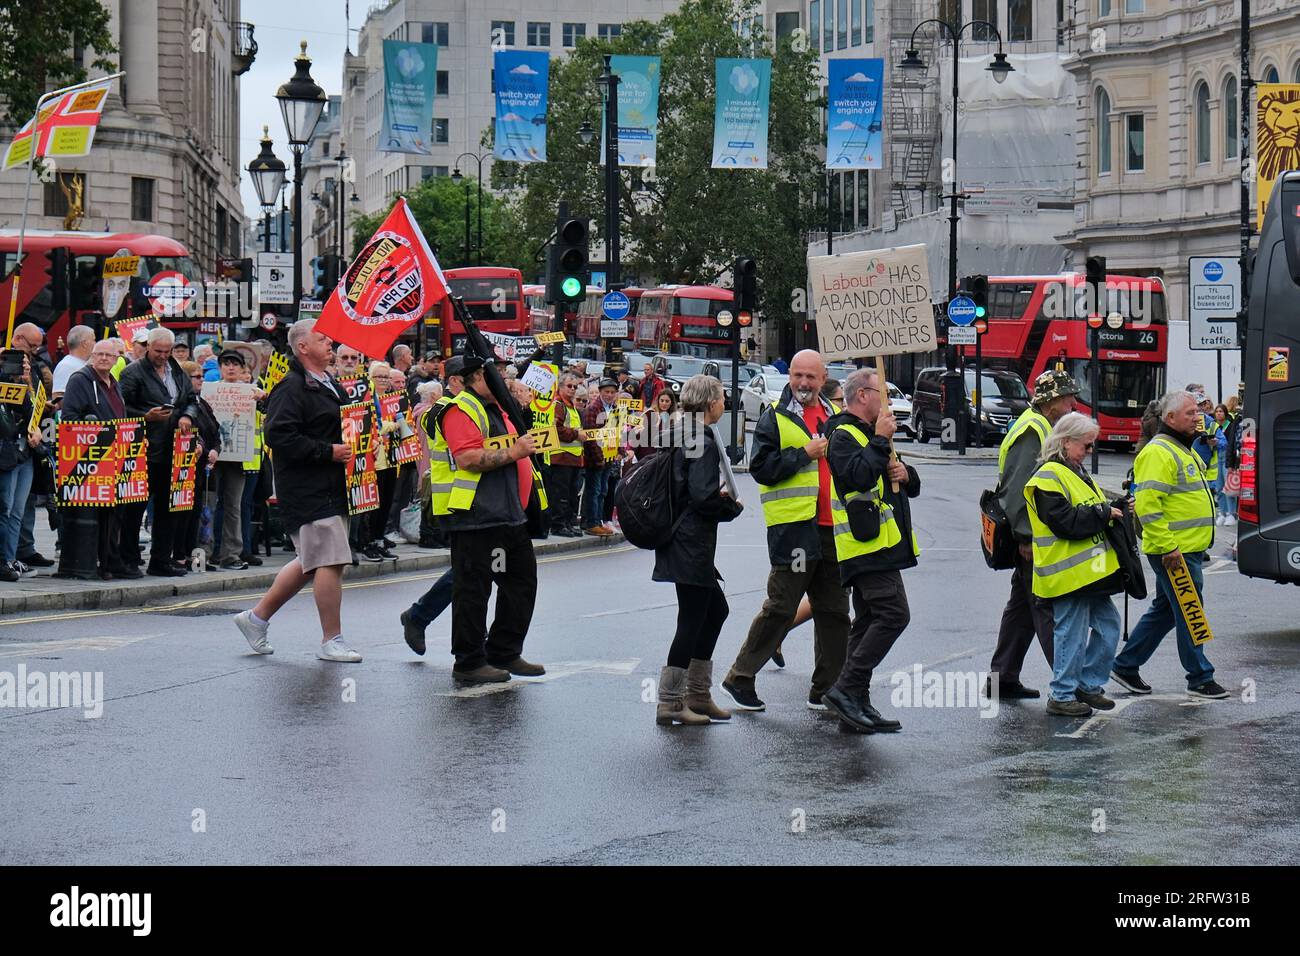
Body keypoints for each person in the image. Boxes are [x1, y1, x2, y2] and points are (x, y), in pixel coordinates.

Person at [721, 349, 850, 712]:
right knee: (781, 607)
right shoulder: (773, 419)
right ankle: (740, 676)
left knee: (835, 611)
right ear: (789, 376)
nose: (804, 383)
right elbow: (761, 467)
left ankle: (826, 689)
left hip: (833, 529)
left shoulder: (836, 416)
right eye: (797, 376)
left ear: (823, 379)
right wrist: (804, 454)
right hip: (794, 531)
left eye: (811, 377)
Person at [234, 318, 361, 663]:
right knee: (331, 561)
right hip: (307, 486)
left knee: (310, 561)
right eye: (323, 339)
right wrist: (327, 451)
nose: (330, 344)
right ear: (302, 347)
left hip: (332, 484)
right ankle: (331, 639)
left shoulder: (329, 382)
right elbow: (279, 436)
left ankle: (255, 618)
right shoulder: (291, 386)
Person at [1111, 391, 1229, 699]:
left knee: (1165, 610)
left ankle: (1125, 665)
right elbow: (1149, 505)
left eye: (1197, 412)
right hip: (1175, 550)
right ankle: (1200, 676)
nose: (1197, 417)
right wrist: (1168, 547)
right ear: (1170, 418)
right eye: (1190, 413)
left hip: (1184, 547)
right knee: (1191, 610)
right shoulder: (1159, 451)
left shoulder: (1181, 447)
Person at [820, 368, 920, 733]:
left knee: (866, 621)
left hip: (881, 543)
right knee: (894, 615)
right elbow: (858, 478)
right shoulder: (844, 434)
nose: (888, 402)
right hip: (865, 545)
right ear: (863, 395)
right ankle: (846, 689)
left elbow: (895, 477)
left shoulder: (872, 434)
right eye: (883, 393)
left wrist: (907, 475)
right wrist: (879, 441)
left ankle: (855, 699)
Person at [439, 355, 545, 683]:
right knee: (473, 590)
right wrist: (514, 452)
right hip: (475, 515)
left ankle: (504, 651)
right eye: (496, 374)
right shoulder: (461, 409)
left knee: (521, 581)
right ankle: (469, 662)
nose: (503, 379)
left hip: (507, 513)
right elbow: (468, 457)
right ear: (476, 378)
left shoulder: (498, 408)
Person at [652, 375, 744, 725]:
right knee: (692, 619)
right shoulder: (700, 438)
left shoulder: (677, 430)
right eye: (721, 399)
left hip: (677, 538)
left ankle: (698, 695)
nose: (724, 404)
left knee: (714, 611)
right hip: (691, 542)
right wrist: (731, 507)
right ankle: (671, 701)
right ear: (710, 404)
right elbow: (703, 496)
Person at [986, 369, 1081, 699]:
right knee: (1045, 606)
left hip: (1031, 534)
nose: (1073, 405)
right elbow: (1017, 490)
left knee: (1022, 609)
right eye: (1068, 399)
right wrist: (1025, 537)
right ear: (1051, 401)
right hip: (1031, 536)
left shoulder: (1038, 424)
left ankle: (1003, 678)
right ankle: (1070, 685)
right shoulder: (1033, 431)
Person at [1024, 413, 1126, 717]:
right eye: (1087, 445)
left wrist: (1112, 509)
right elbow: (1064, 522)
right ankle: (1063, 693)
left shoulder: (1075, 470)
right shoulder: (1049, 475)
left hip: (1087, 573)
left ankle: (1086, 684)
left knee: (1109, 626)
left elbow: (1085, 510)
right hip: (1065, 573)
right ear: (1066, 442)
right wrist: (1104, 513)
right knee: (1071, 633)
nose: (1090, 452)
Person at [118, 326, 198, 577]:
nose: (162, 356)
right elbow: (120, 407)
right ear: (148, 347)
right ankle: (128, 558)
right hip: (145, 448)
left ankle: (161, 559)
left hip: (174, 449)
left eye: (167, 351)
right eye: (158, 351)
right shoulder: (133, 372)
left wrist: (186, 415)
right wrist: (146, 416)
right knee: (135, 508)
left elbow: (191, 400)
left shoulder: (176, 369)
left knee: (169, 508)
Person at [399, 356, 465, 654]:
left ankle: (472, 642)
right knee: (469, 569)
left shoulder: (466, 407)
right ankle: (421, 616)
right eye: (472, 377)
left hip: (472, 498)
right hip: (455, 499)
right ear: (453, 381)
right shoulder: (444, 410)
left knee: (475, 570)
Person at [173, 361, 221, 571]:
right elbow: (191, 430)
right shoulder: (183, 404)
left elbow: (215, 430)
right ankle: (180, 556)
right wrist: (200, 445)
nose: (201, 380)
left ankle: (194, 558)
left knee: (196, 513)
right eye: (196, 376)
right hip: (185, 465)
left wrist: (215, 450)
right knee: (184, 513)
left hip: (202, 465)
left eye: (202, 376)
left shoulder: (203, 403)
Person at [0, 351, 41, 582]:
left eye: (26, 362)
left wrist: (27, 384)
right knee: (5, 509)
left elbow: (33, 412)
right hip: (7, 454)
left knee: (17, 511)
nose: (22, 366)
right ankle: (4, 559)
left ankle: (11, 557)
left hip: (25, 453)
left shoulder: (27, 383)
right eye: (17, 363)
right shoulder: (3, 384)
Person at [209, 351, 251, 570]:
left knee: (233, 507)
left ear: (243, 368)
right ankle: (204, 553)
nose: (231, 368)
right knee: (209, 505)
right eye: (227, 364)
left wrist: (261, 400)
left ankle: (231, 555)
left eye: (236, 364)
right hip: (213, 458)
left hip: (237, 459)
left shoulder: (251, 392)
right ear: (220, 367)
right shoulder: (210, 391)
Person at [541, 372, 587, 537]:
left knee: (571, 494)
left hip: (574, 458)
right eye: (569, 386)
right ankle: (558, 525)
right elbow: (557, 429)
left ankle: (567, 523)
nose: (573, 389)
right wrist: (576, 434)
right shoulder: (558, 405)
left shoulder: (571, 407)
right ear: (560, 387)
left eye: (575, 387)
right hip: (561, 457)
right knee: (561, 494)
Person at [580, 378, 620, 537]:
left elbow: (618, 432)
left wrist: (619, 451)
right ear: (601, 392)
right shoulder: (593, 409)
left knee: (603, 490)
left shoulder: (615, 409)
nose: (609, 395)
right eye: (606, 392)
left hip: (609, 456)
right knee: (594, 490)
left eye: (612, 392)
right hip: (596, 458)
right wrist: (599, 458)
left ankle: (597, 521)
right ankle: (591, 522)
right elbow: (591, 437)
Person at [52, 325, 94, 397]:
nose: (95, 343)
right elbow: (58, 396)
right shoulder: (66, 366)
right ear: (84, 344)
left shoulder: (83, 363)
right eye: (93, 340)